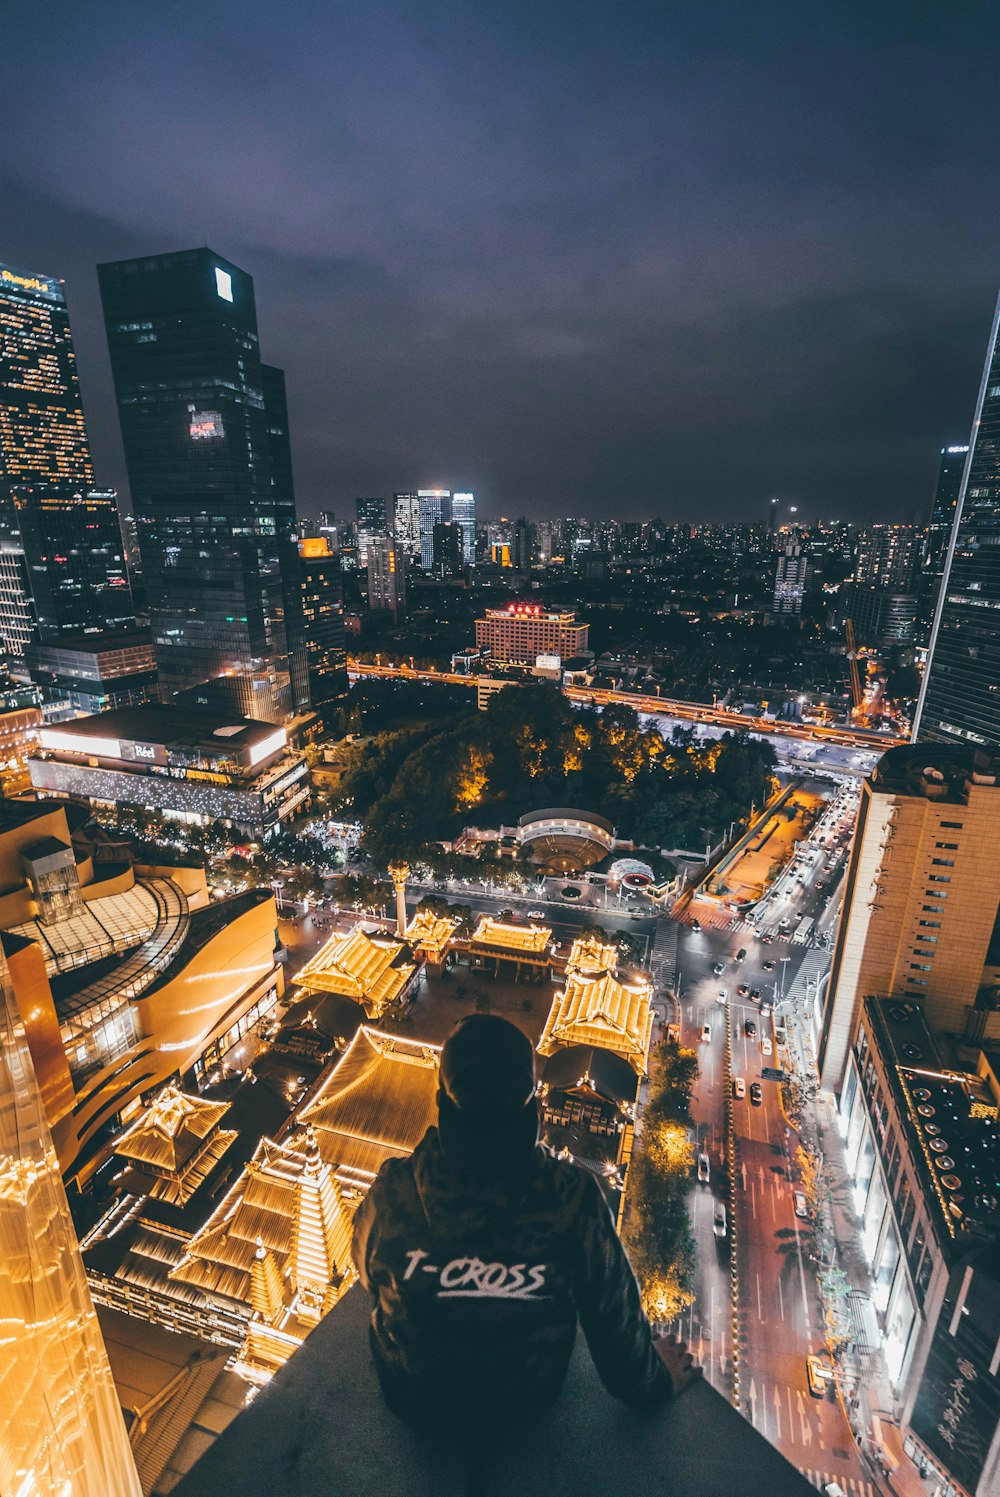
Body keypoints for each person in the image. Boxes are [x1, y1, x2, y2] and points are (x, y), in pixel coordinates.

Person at [351, 1013, 699, 1431]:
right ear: (535, 1109)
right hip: (524, 1402)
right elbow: (616, 1336)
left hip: (412, 1398)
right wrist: (660, 1379)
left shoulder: (395, 1190)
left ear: (441, 1108)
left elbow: (367, 1273)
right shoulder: (573, 1198)